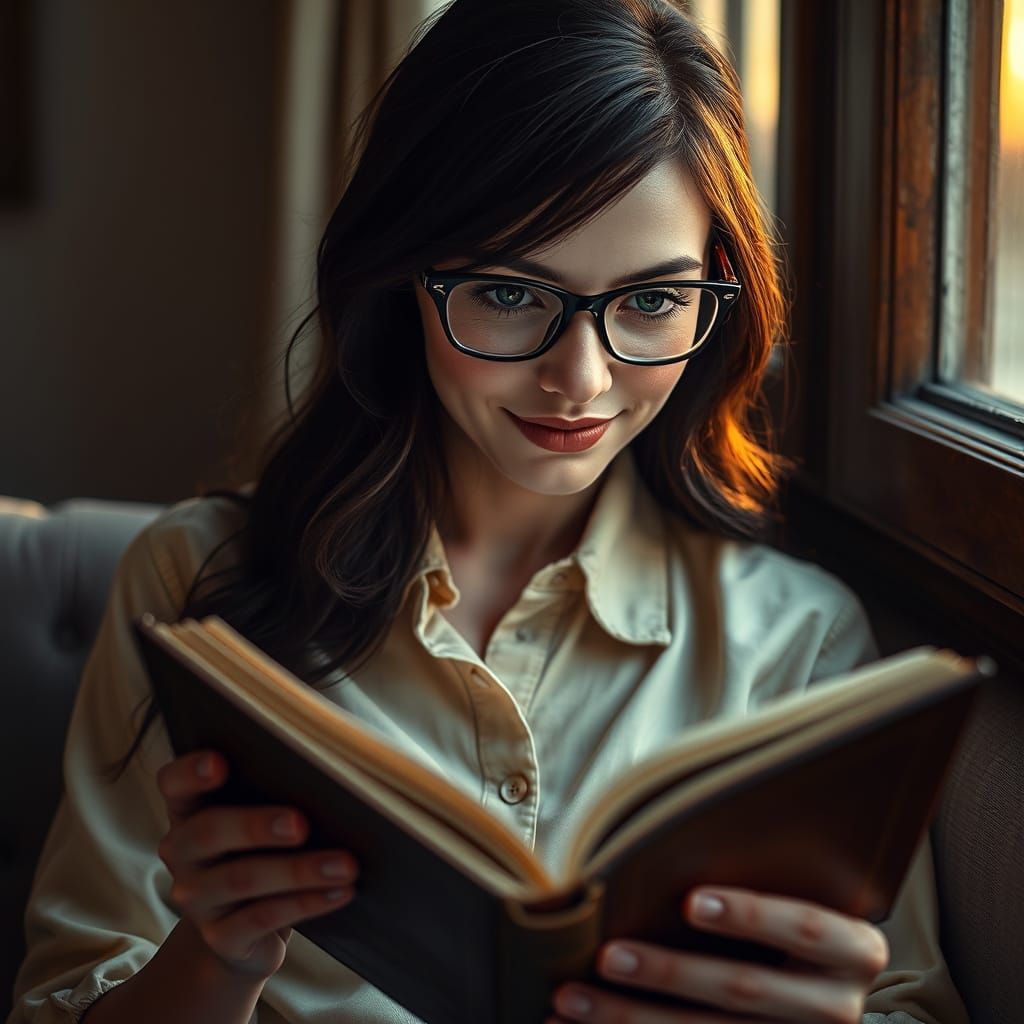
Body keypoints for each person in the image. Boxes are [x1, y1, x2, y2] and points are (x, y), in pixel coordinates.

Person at [10, 1, 970, 1022]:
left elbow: (900, 1001)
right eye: (511, 294)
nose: (580, 379)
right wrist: (215, 956)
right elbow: (62, 998)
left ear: (716, 290)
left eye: (652, 300)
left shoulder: (799, 643)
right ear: (406, 278)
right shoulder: (191, 584)